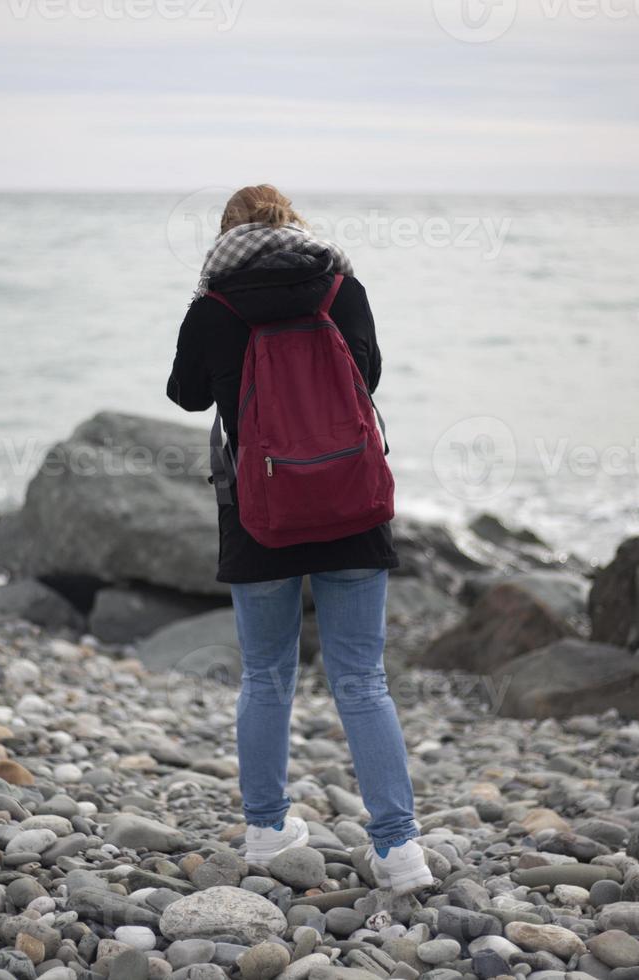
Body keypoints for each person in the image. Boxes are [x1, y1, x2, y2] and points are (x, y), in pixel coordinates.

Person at [165, 185, 432, 893]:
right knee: (362, 680)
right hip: (350, 505)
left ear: (226, 234)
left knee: (266, 674)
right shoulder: (340, 288)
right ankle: (400, 851)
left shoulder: (213, 306)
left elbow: (185, 395)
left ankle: (265, 832)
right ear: (295, 224)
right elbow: (368, 375)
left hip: (261, 514)